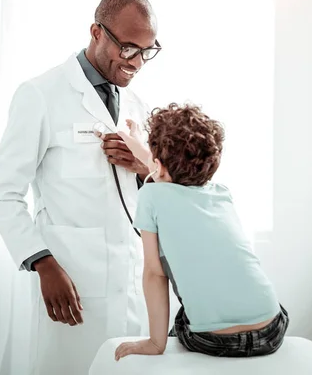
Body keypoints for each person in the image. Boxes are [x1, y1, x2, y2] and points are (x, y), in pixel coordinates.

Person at [0, 0, 162, 375]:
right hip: (72, 284)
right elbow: (2, 195)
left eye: (147, 51)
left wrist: (143, 166)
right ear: (97, 33)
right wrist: (42, 263)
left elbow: (148, 195)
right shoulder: (41, 95)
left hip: (132, 284)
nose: (137, 62)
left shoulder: (136, 105)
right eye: (128, 48)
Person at [113, 103, 289, 361]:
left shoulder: (151, 195)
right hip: (271, 328)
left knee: (171, 281)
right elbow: (163, 168)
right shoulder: (221, 193)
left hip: (213, 339)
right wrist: (135, 140)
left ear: (158, 165)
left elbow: (154, 273)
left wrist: (155, 342)